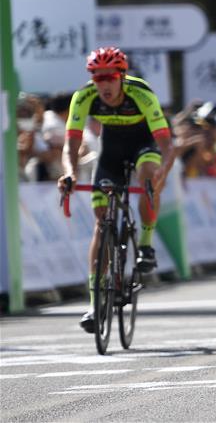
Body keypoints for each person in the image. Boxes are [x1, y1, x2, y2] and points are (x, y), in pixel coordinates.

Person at [57, 47, 175, 334]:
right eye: (97, 78)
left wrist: (161, 174)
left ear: (122, 75)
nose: (103, 84)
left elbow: (168, 146)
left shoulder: (142, 94)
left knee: (147, 176)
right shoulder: (84, 97)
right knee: (101, 224)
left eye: (109, 77)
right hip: (110, 150)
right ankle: (95, 303)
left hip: (144, 143)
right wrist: (71, 173)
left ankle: (145, 244)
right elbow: (70, 144)